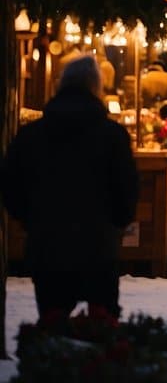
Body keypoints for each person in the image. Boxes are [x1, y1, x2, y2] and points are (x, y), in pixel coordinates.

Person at [2, 56, 138, 324]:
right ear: (96, 87)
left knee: (53, 322)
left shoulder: (31, 135)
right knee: (102, 326)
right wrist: (116, 224)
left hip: (48, 244)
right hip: (98, 246)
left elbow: (10, 184)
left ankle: (54, 363)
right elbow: (127, 189)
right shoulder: (112, 136)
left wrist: (30, 221)